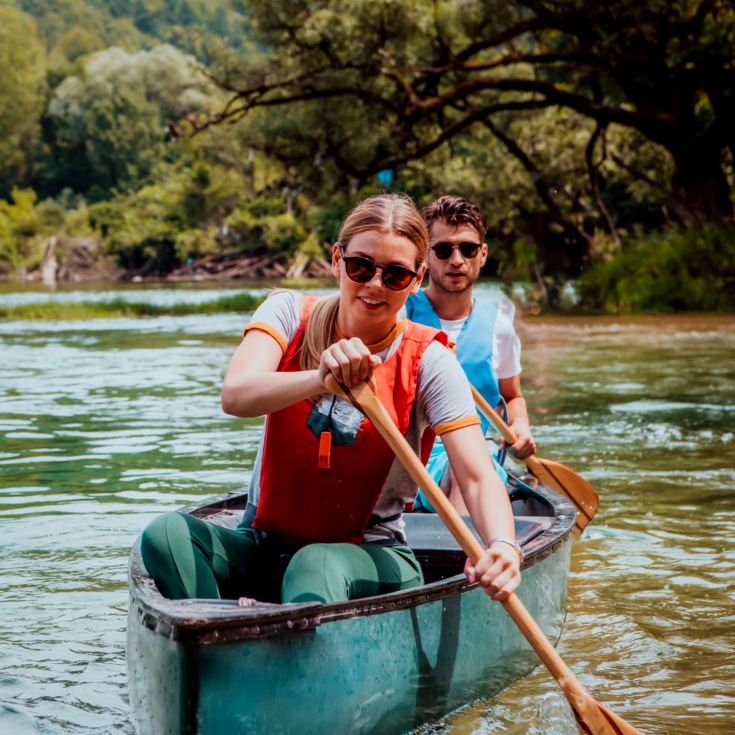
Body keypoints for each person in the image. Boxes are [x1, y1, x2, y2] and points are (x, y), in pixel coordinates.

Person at [139, 193, 521, 606]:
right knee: (166, 535)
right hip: (265, 544)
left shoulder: (429, 359)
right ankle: (216, 638)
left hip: (372, 556)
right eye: (361, 267)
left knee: (315, 564)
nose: (374, 285)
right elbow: (235, 395)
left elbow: (478, 476)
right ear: (337, 259)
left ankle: (288, 644)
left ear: (416, 277)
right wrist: (320, 379)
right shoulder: (286, 312)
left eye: (394, 275)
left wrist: (504, 544)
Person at [404, 195, 536, 514]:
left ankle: (467, 557)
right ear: (425, 256)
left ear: (483, 254)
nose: (457, 259)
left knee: (464, 457)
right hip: (406, 459)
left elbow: (512, 396)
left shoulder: (500, 326)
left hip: (471, 458)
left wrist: (521, 426)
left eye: (468, 248)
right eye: (443, 249)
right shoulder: (398, 314)